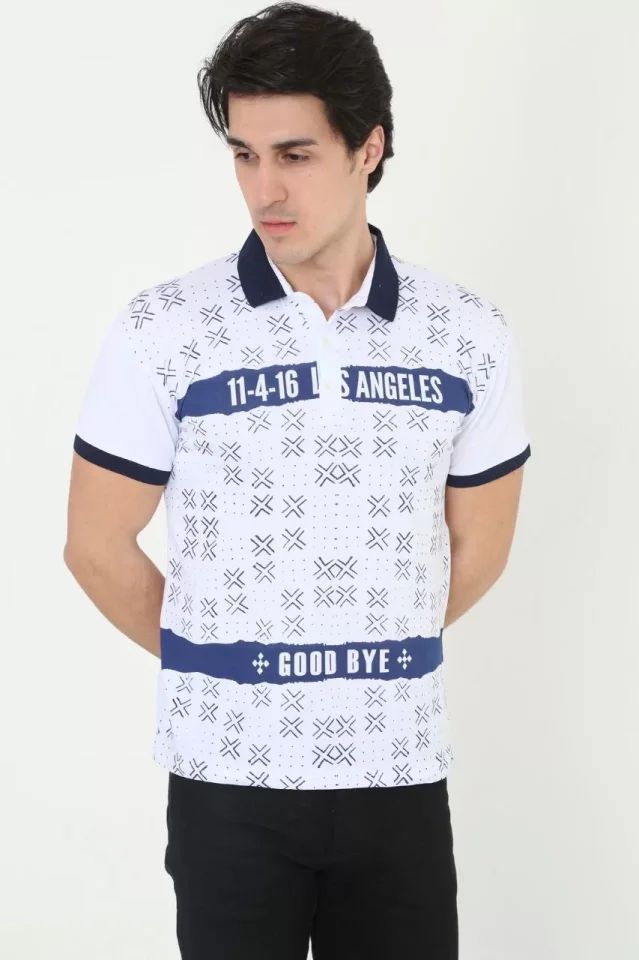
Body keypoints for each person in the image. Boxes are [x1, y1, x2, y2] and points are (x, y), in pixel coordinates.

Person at [64, 3, 532, 958]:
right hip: (228, 778)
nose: (264, 189)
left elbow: (479, 544)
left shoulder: (465, 334)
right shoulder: (165, 329)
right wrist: (230, 661)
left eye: (294, 155)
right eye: (244, 155)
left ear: (369, 148)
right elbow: (95, 544)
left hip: (398, 770)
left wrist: (364, 644)